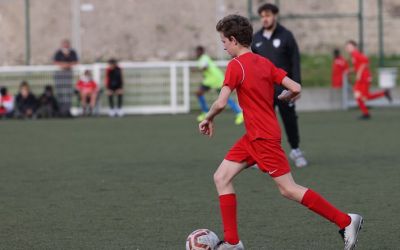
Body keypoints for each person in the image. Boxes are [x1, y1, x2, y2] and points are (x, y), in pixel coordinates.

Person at [199, 14, 363, 250]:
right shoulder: (264, 62)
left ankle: (346, 221)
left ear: (233, 40)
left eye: (224, 41)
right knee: (221, 177)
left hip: (262, 138)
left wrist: (208, 118)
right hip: (253, 137)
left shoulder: (236, 66)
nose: (223, 46)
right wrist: (286, 95)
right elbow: (295, 87)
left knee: (288, 189)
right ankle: (233, 243)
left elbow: (221, 102)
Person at [251, 3, 307, 168]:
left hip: (284, 89)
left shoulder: (286, 36)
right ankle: (262, 155)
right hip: (264, 90)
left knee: (289, 119)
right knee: (263, 123)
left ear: (275, 16)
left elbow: (295, 61)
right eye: (262, 16)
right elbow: (252, 64)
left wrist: (296, 86)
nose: (265, 19)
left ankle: (296, 150)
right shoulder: (257, 38)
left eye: (267, 15)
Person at [195, 46, 243, 125]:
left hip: (215, 80)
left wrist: (196, 70)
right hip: (211, 80)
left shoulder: (204, 58)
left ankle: (239, 113)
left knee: (225, 98)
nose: (196, 53)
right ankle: (205, 112)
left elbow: (205, 66)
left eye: (197, 51)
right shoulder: (203, 58)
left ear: (201, 52)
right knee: (199, 93)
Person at [345, 40, 392, 119]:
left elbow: (366, 61)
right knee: (361, 96)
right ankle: (383, 94)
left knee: (360, 96)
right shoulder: (353, 55)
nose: (348, 48)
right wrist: (351, 70)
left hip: (364, 78)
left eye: (349, 46)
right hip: (362, 78)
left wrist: (359, 73)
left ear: (354, 47)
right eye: (347, 47)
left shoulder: (356, 54)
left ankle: (366, 113)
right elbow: (359, 66)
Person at [53, 39, 79, 117]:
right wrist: (63, 65)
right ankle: (60, 110)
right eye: (64, 44)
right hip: (59, 75)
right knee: (60, 93)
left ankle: (67, 110)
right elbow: (55, 62)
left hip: (68, 75)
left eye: (67, 44)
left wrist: (68, 65)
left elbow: (76, 62)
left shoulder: (73, 52)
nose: (66, 46)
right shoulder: (58, 53)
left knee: (68, 93)